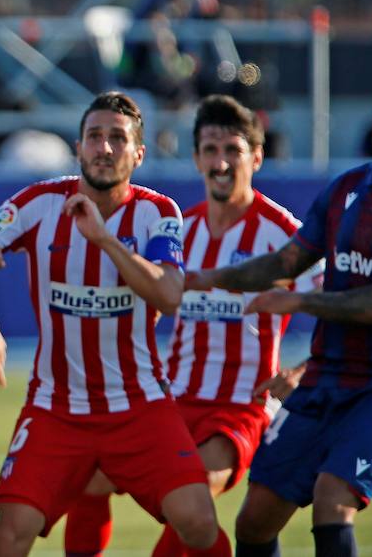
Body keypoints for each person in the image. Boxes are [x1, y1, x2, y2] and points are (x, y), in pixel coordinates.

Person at [0, 91, 231, 556]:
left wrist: (104, 239)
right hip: (57, 408)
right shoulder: (39, 202)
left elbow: (170, 295)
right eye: (94, 137)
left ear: (138, 153)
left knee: (198, 522)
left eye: (117, 138)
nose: (104, 148)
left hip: (140, 406)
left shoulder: (157, 213)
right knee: (10, 534)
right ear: (79, 147)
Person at [62, 95, 315, 556]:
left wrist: (303, 371)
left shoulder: (284, 235)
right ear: (196, 156)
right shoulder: (179, 228)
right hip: (169, 401)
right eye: (210, 150)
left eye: (233, 150)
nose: (220, 163)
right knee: (89, 478)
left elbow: (336, 301)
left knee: (190, 494)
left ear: (256, 157)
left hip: (241, 407)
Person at [185, 99, 372, 557]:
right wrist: (209, 278)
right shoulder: (346, 190)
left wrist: (299, 299)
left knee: (332, 500)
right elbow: (286, 261)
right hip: (323, 381)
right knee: (254, 520)